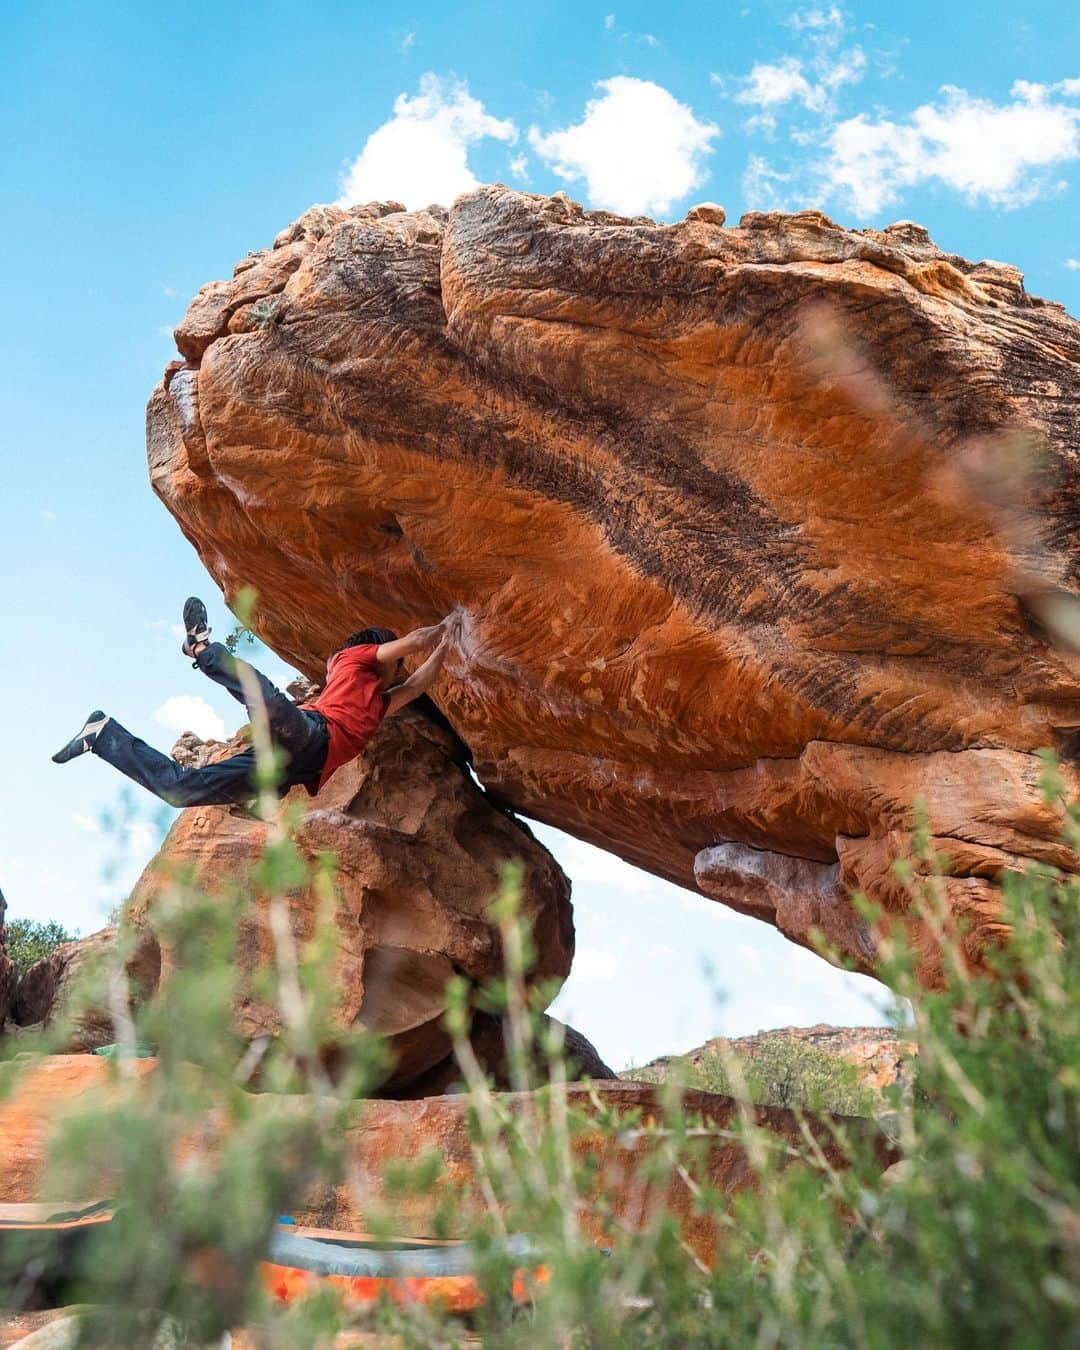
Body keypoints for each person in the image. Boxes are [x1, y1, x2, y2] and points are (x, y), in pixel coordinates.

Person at [52, 597, 458, 809]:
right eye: (395, 662)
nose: (398, 670)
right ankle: (202, 647)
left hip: (295, 765)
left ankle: (102, 736)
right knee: (265, 697)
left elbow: (419, 685)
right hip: (311, 734)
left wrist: (448, 646)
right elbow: (410, 643)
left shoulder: (379, 703)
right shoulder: (353, 659)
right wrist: (446, 627)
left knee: (182, 791)